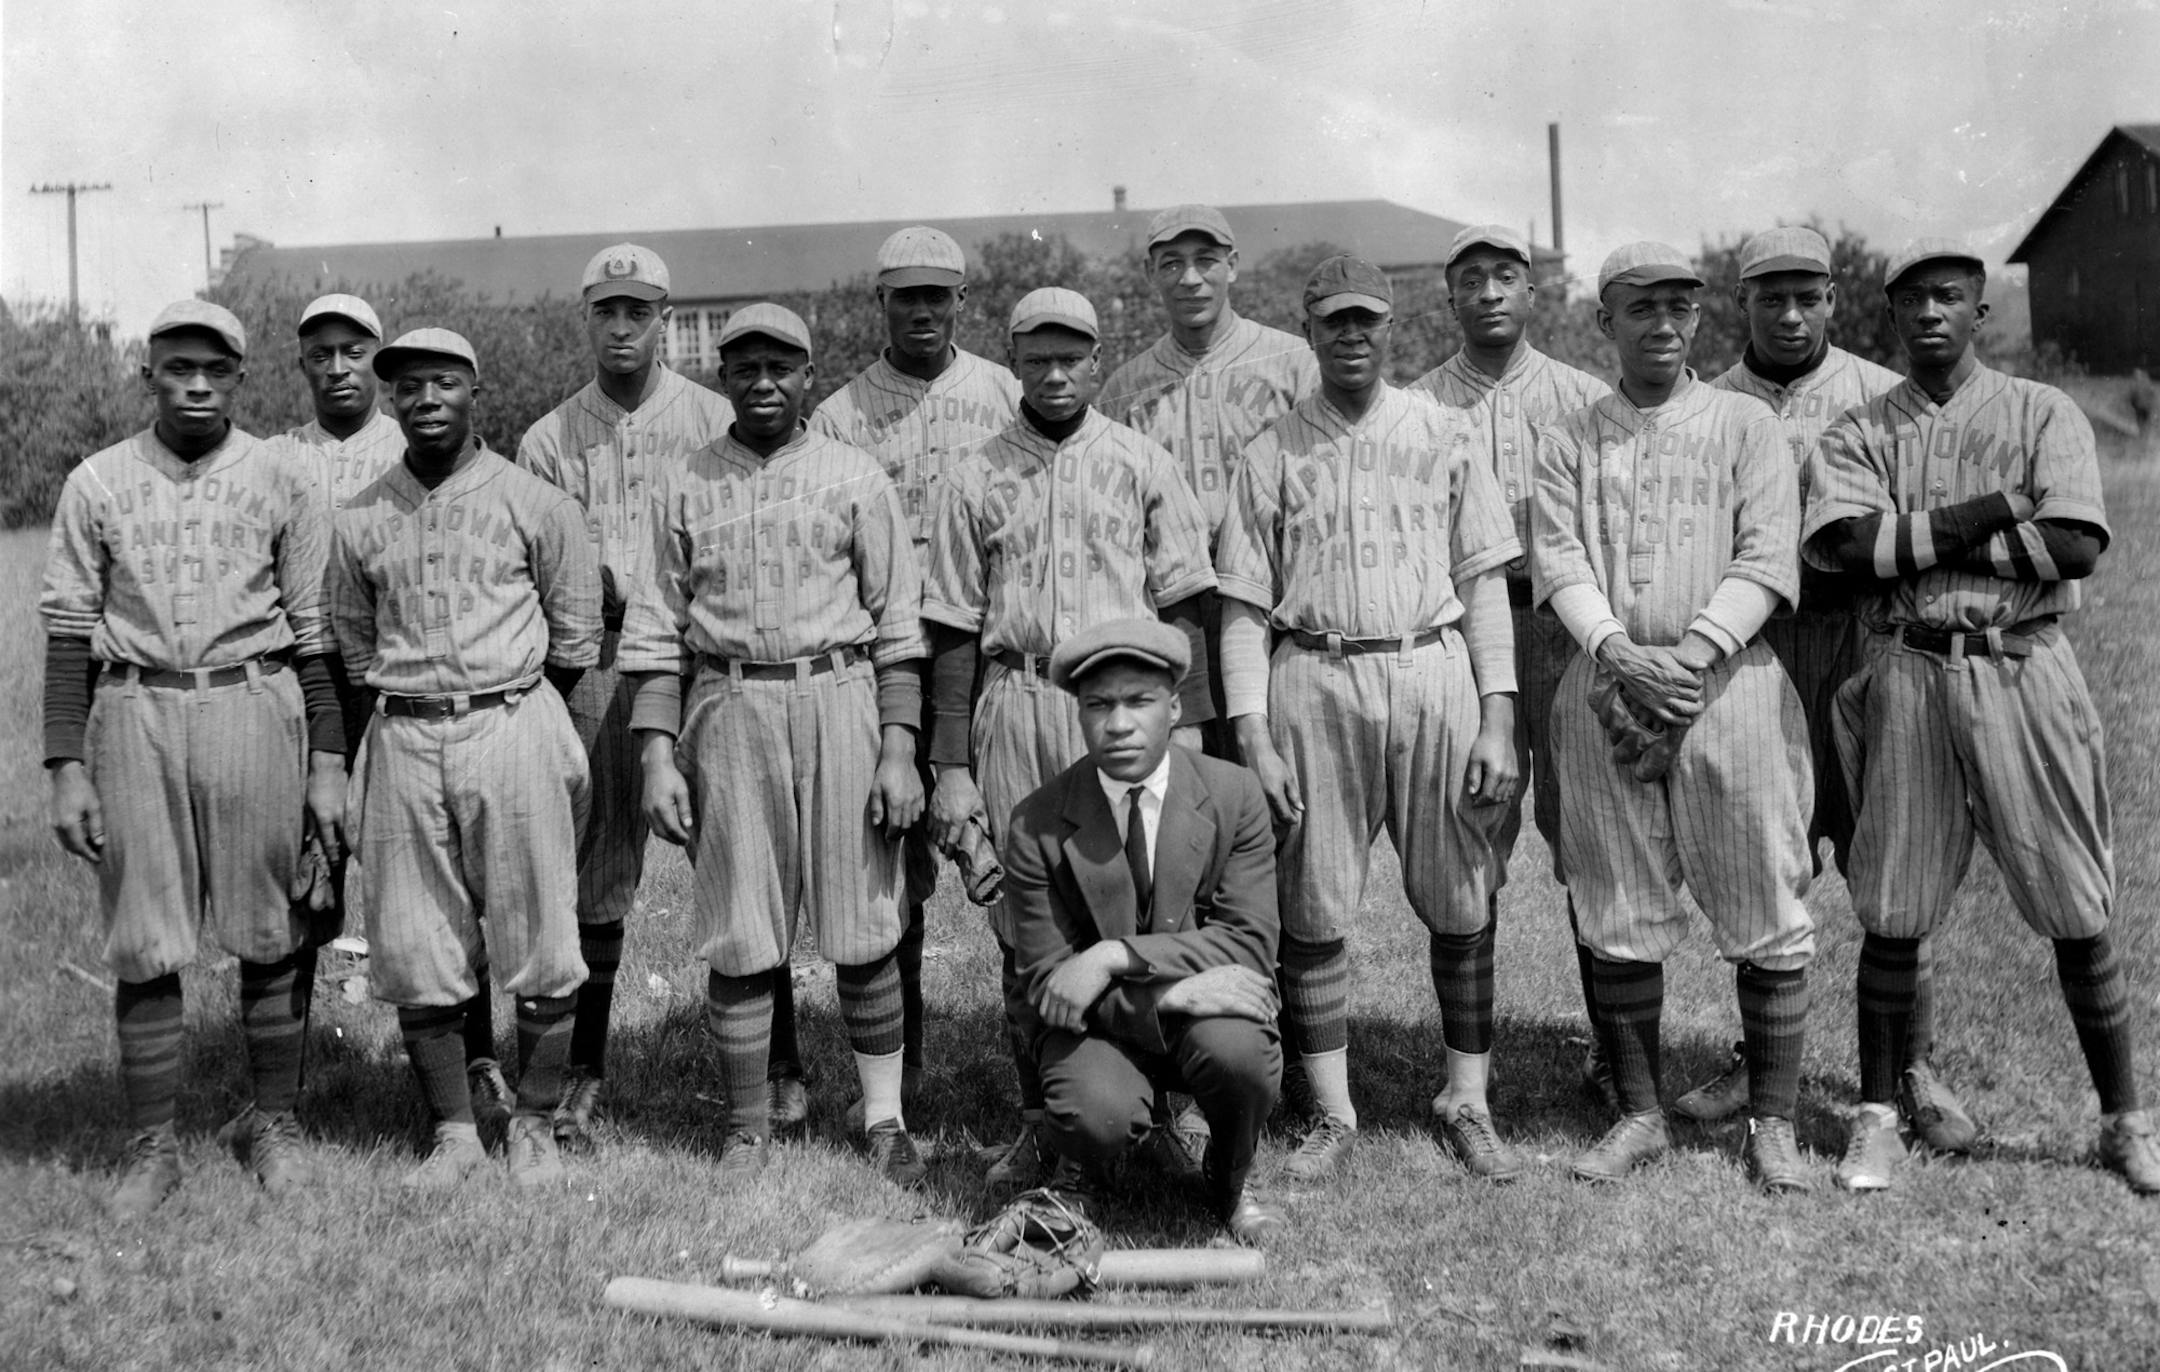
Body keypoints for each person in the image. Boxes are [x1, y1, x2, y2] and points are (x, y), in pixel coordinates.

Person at [1804, 239, 2160, 1195]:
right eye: (1912, 298)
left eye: (1949, 296)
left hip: (2022, 666)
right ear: (1890, 313)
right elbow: (1850, 549)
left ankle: (2125, 1121)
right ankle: (1876, 1121)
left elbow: (2076, 545)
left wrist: (1918, 543)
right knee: (1892, 902)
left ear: (1979, 311)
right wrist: (2001, 510)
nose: (1930, 312)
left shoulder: (2043, 409)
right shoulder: (1858, 429)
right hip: (1908, 670)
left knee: (2076, 899)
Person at [1216, 255, 1523, 1185]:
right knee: (1312, 900)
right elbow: (1241, 607)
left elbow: (1485, 583)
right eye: (1334, 321)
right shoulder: (1270, 449)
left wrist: (1498, 715)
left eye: (1368, 320)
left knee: (1462, 892)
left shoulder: (1444, 428)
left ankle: (1466, 1099)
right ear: (1308, 332)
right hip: (1314, 669)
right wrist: (1253, 733)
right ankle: (1333, 1110)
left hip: (1430, 664)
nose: (1352, 335)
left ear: (1392, 327)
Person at [1672, 229, 1976, 1150]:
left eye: (1808, 295)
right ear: (1741, 303)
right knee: (1763, 857)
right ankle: (1758, 1060)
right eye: (1771, 297)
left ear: (1835, 299)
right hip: (1759, 648)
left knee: (1890, 851)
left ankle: (1912, 1066)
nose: (1791, 314)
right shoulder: (1709, 402)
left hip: (1863, 638)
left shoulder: (1881, 396)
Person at [42, 299, 344, 1220]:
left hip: (254, 699)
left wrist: (328, 759)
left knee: (272, 927)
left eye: (216, 369)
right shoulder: (96, 480)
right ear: (149, 376)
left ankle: (274, 1124)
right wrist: (65, 764)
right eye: (180, 368)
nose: (199, 385)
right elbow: (68, 632)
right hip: (135, 708)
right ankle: (153, 1147)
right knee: (145, 937)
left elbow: (315, 633)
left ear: (241, 377)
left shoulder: (285, 475)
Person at [1530, 242, 1816, 1194]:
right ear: (1604, 322)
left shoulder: (1745, 422)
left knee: (1764, 901)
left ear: (1698, 317)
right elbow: (1559, 561)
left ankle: (1772, 1122)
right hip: (1605, 682)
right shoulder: (1570, 434)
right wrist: (1620, 654)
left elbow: (1768, 557)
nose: (1663, 322)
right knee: (1616, 901)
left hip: (1726, 685)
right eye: (1641, 307)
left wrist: (1686, 659)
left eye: (1679, 306)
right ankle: (1641, 1114)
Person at [621, 303, 929, 1184]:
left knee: (863, 921)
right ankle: (748, 1125)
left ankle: (883, 1118)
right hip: (730, 704)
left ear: (807, 375)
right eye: (746, 368)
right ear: (722, 377)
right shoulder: (685, 481)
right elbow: (654, 631)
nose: (763, 383)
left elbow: (898, 624)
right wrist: (656, 756)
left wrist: (898, 748)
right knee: (741, 926)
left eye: (780, 368)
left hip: (839, 694)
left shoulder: (853, 473)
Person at [923, 286, 1219, 1189]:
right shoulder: (973, 474)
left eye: (1071, 357)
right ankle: (1040, 1121)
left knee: (1151, 910)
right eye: (1037, 357)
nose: (1055, 373)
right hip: (1020, 697)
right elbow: (951, 626)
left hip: (1124, 704)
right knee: (1028, 926)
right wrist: (949, 764)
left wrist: (1192, 732)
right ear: (1012, 361)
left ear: (1098, 361)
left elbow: (1186, 605)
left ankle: (1164, 1114)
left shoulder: (1141, 460)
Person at [328, 328, 601, 1192]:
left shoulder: (536, 501)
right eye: (408, 386)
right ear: (391, 399)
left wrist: (510, 704)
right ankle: (454, 1133)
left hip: (510, 719)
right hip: (404, 733)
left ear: (474, 390)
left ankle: (534, 1123)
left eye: (443, 382)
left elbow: (576, 635)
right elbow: (352, 645)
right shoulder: (359, 516)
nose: (426, 399)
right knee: (416, 943)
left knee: (541, 936)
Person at [281, 293, 516, 1137]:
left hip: (399, 687)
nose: (338, 367)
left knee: (443, 886)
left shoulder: (416, 442)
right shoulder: (276, 458)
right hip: (305, 684)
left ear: (377, 358)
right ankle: (283, 1089)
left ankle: (476, 1060)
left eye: (354, 350)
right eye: (321, 352)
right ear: (302, 363)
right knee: (302, 883)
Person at [803, 225, 1022, 1126]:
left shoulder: (1004, 393)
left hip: (985, 650)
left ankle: (1038, 1074)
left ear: (962, 301)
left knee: (1013, 859)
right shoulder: (839, 414)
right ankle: (909, 1075)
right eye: (907, 296)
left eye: (938, 295)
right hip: (883, 658)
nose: (923, 310)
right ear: (881, 303)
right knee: (891, 870)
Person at [517, 243, 734, 1148]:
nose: (620, 328)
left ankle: (775, 1070)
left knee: (739, 853)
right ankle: (583, 1069)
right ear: (587, 318)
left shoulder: (715, 417)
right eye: (605, 311)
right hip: (600, 657)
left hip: (707, 655)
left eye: (637, 311)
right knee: (597, 869)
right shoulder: (547, 438)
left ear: (664, 319)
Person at [1409, 224, 1612, 1111]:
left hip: (1563, 624)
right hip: (1466, 633)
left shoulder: (1585, 398)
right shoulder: (1416, 405)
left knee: (1590, 836)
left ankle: (1613, 1050)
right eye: (1471, 279)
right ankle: (1471, 1067)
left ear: (1532, 292)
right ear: (1448, 297)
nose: (1489, 292)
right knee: (1471, 834)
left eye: (1505, 276)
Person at [1004, 618, 1287, 1244]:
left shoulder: (1234, 795)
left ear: (1175, 707)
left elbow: (1247, 945)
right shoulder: (1036, 823)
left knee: (1241, 1055)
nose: (1119, 724)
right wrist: (1174, 992)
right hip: (1099, 1028)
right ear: (1079, 713)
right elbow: (1048, 987)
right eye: (1099, 705)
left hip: (1204, 1019)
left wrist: (1113, 955)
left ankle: (1230, 1176)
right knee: (1094, 1110)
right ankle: (1087, 1168)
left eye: (1139, 702)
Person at [1097, 204, 1318, 756]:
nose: (1190, 278)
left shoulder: (1292, 362)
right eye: (1172, 263)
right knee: (1191, 777)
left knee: (1281, 774)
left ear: (1233, 265)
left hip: (1276, 604)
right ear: (1150, 273)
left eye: (1206, 260)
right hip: (1175, 613)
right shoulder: (1126, 387)